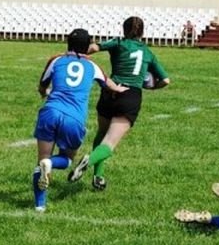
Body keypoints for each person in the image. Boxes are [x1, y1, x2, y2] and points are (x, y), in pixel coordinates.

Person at [68, 16, 170, 190]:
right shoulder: (147, 53)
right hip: (130, 96)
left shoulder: (118, 42)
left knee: (101, 133)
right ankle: (89, 160)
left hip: (110, 91)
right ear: (143, 33)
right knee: (109, 143)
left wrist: (76, 54)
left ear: (124, 30)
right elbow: (165, 80)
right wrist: (152, 87)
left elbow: (93, 47)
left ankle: (98, 177)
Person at [32, 29, 128, 212]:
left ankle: (40, 206)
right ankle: (51, 164)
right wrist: (120, 89)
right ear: (87, 46)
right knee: (67, 159)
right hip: (74, 118)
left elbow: (42, 85)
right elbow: (109, 85)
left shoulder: (56, 60)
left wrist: (45, 93)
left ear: (68, 43)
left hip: (50, 111)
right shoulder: (92, 66)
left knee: (42, 160)